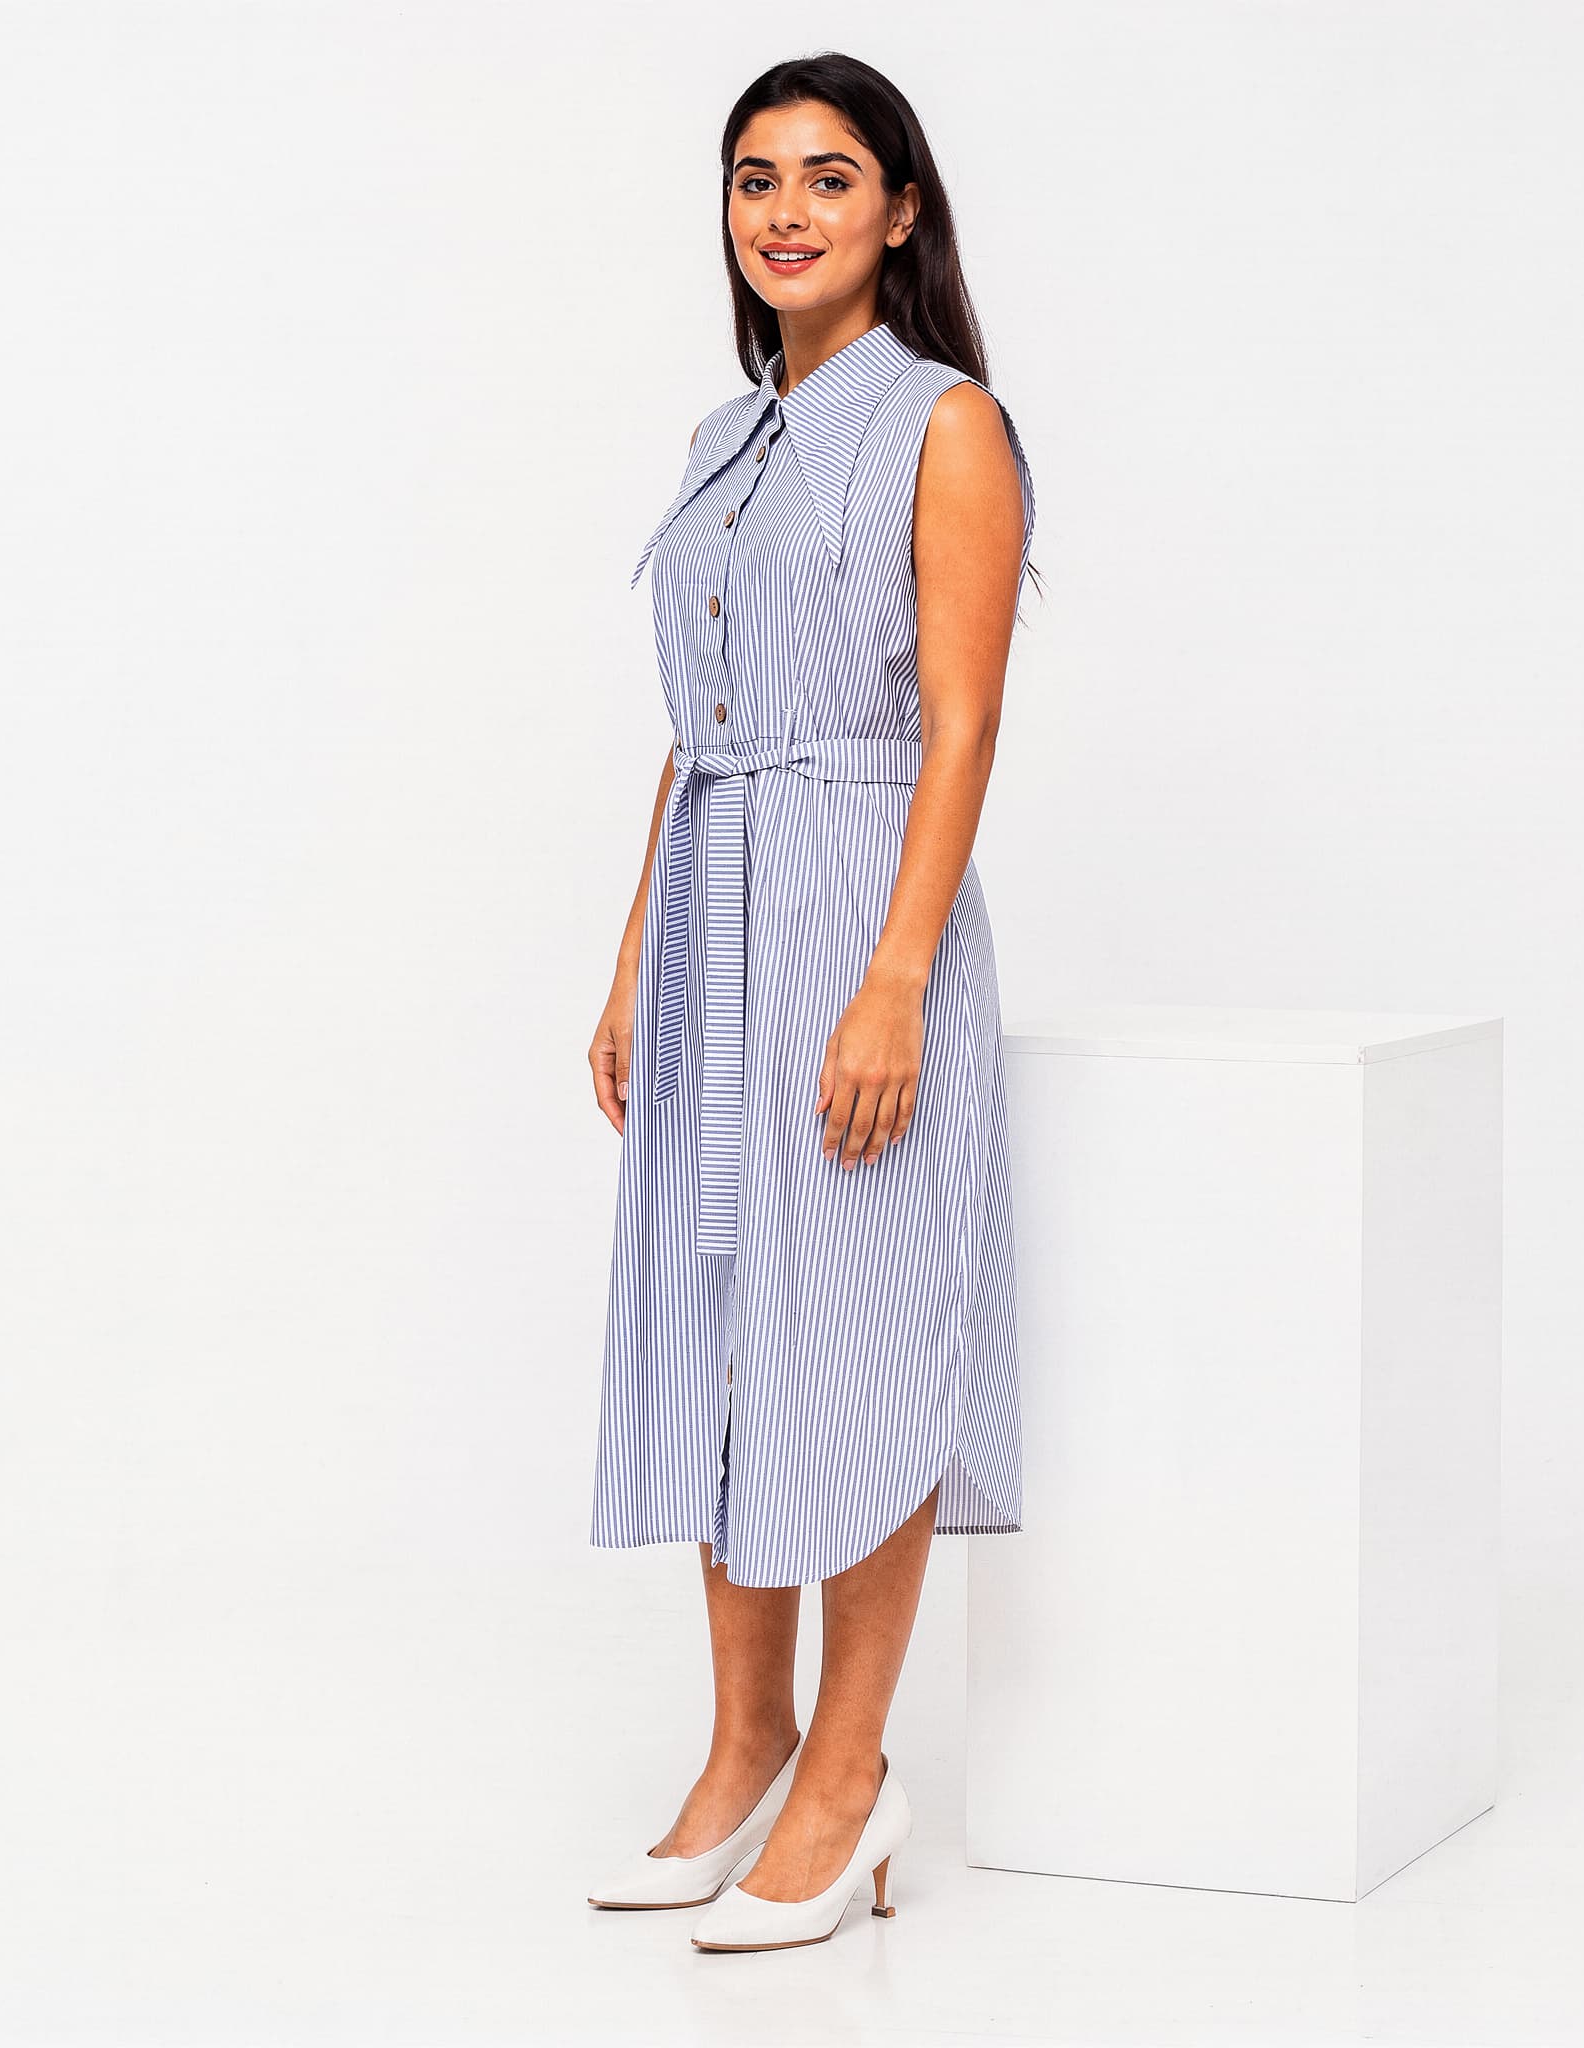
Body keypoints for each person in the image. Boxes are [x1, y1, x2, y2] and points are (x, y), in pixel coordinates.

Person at [584, 51, 1038, 1954]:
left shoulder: (944, 423)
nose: (784, 211)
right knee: (720, 1327)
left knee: (854, 1327)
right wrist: (635, 954)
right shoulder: (726, 435)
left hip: (859, 905)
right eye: (756, 177)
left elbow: (962, 720)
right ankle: (745, 1742)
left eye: (828, 177)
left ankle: (851, 1776)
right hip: (717, 911)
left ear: (900, 210)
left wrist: (897, 977)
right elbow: (698, 724)